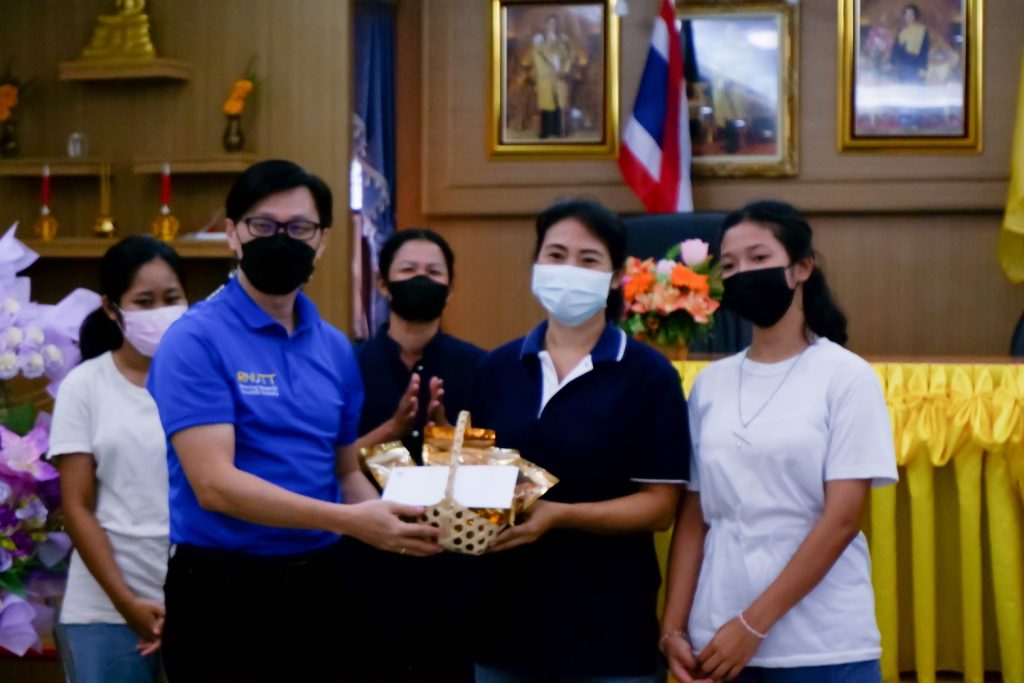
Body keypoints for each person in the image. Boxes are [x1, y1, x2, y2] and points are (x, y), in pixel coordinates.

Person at [146, 159, 441, 683]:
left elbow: (344, 472)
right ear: (233, 233)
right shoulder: (194, 339)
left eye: (300, 228)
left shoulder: (334, 347)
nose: (281, 239)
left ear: (321, 241)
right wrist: (352, 522)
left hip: (320, 586)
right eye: (264, 225)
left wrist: (399, 520)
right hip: (223, 592)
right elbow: (214, 485)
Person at [661, 200, 898, 683]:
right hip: (716, 641)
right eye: (730, 265)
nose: (744, 273)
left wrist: (753, 625)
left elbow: (842, 519)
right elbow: (695, 516)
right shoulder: (710, 384)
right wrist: (674, 627)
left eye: (759, 257)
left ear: (801, 267)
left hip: (823, 646)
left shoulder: (846, 377)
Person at [469, 198, 690, 682]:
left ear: (616, 276)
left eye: (588, 260)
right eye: (556, 255)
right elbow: (477, 482)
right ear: (535, 264)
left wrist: (560, 515)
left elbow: (659, 508)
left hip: (608, 630)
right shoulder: (495, 369)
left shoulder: (649, 376)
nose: (569, 270)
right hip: (505, 623)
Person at [345, 228, 485, 682]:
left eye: (433, 272)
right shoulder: (348, 366)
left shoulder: (482, 367)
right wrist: (391, 431)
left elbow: (493, 478)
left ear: (451, 286)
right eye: (408, 270)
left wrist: (445, 437)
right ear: (383, 283)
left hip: (454, 576)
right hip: (364, 571)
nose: (421, 279)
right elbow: (327, 464)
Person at [50, 236, 188, 683]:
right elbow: (76, 506)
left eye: (172, 298)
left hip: (195, 598)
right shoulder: (85, 385)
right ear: (112, 308)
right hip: (105, 609)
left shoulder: (205, 382)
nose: (160, 312)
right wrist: (127, 603)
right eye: (144, 302)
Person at [532, 14, 575, 139]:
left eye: (556, 23)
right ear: (547, 25)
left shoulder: (564, 41)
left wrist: (564, 70)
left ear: (558, 25)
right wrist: (549, 70)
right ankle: (545, 130)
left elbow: (569, 57)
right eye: (551, 23)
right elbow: (537, 56)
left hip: (560, 76)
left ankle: (557, 130)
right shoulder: (541, 40)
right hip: (547, 77)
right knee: (547, 104)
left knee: (559, 104)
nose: (553, 26)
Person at [890, 4, 929, 83]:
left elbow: (924, 50)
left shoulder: (922, 30)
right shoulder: (901, 31)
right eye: (906, 14)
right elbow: (896, 48)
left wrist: (923, 68)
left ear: (915, 15)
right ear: (904, 16)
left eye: (911, 14)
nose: (908, 16)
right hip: (903, 66)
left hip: (916, 66)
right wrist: (891, 62)